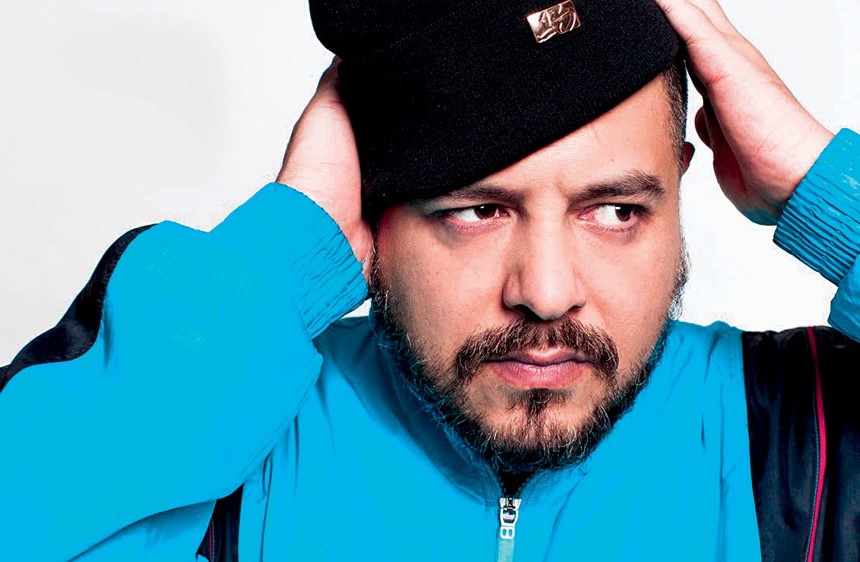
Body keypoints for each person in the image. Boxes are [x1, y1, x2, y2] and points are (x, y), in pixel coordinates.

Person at [0, 0, 857, 561]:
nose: (546, 291)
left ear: (679, 191)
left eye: (615, 210)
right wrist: (283, 253)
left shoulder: (801, 433)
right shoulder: (235, 440)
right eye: (477, 210)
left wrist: (827, 190)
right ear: (372, 210)